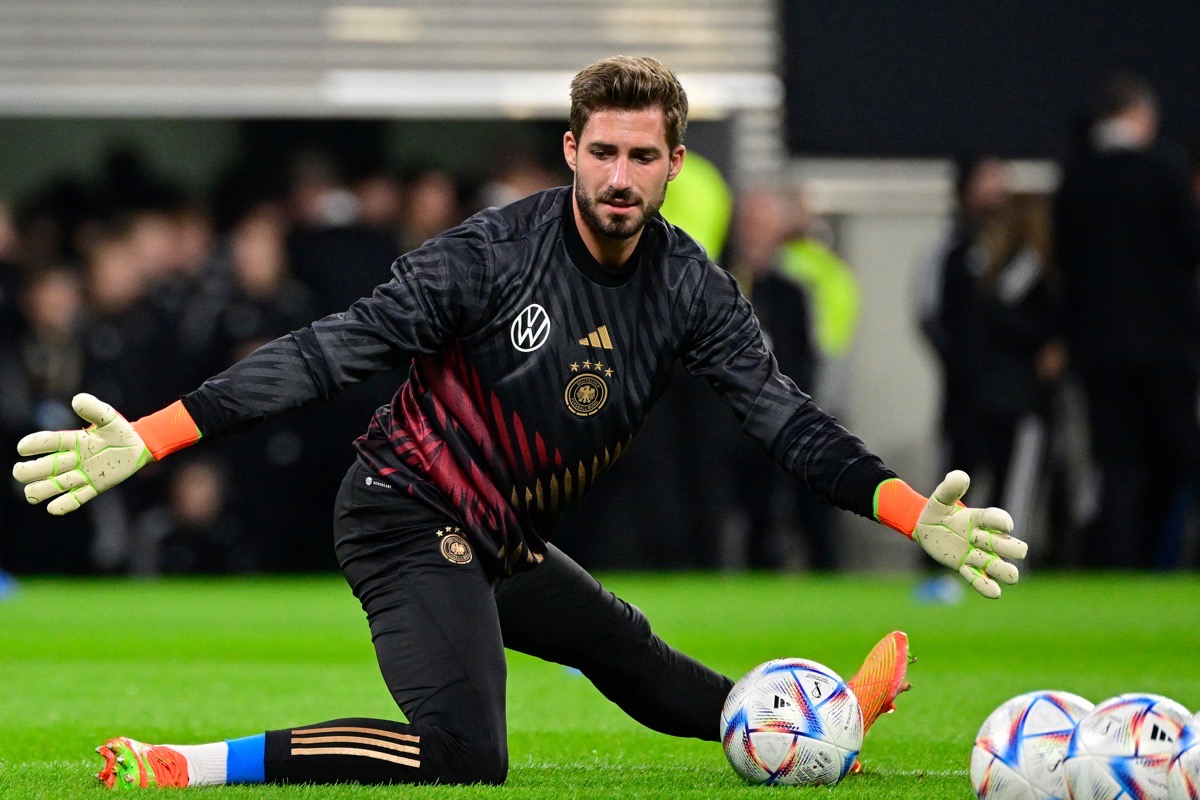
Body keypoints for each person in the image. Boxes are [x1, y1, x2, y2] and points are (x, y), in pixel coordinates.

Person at [11, 56, 1025, 790]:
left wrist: (907, 512)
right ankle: (182, 765)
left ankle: (830, 718)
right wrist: (152, 433)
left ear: (676, 163)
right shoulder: (491, 255)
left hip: (500, 532)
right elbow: (328, 352)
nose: (621, 177)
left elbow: (786, 422)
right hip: (401, 509)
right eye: (604, 153)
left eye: (644, 156)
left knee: (639, 662)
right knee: (464, 754)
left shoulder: (693, 289)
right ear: (572, 151)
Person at [1054, 73, 1200, 568]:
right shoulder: (1165, 171)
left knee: (1116, 468)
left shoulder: (1076, 178)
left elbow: (1066, 264)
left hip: (1099, 350)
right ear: (1141, 116)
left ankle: (1119, 564)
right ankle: (1168, 558)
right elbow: (1189, 248)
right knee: (1181, 456)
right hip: (1165, 347)